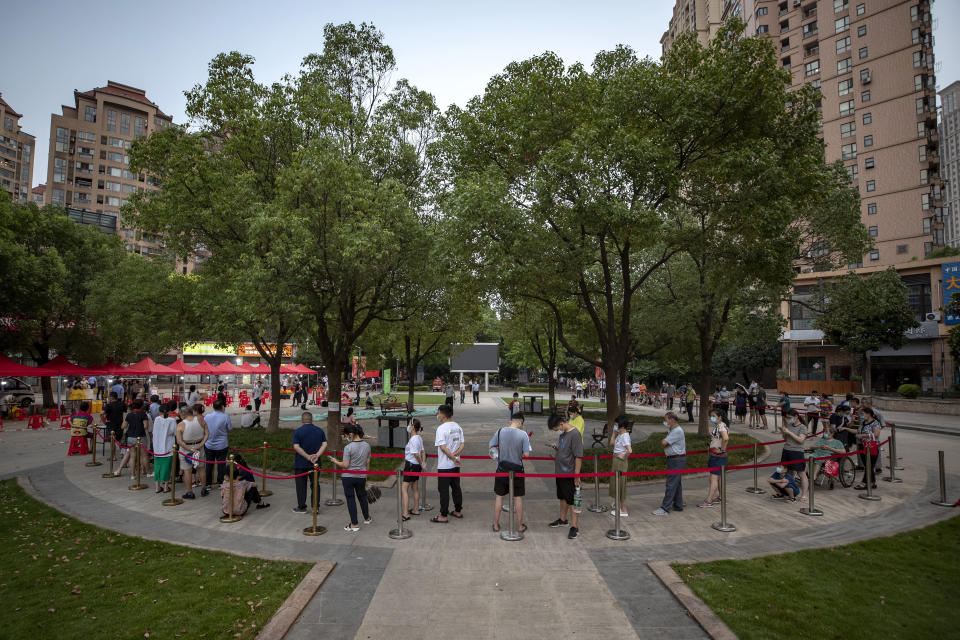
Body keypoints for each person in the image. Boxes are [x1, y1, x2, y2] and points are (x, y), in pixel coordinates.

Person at [490, 412, 531, 532]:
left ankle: (496, 525)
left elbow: (491, 446)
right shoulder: (523, 435)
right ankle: (519, 526)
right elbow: (527, 454)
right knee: (518, 497)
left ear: (511, 421)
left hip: (501, 469)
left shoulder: (500, 431)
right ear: (521, 422)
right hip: (517, 470)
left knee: (499, 497)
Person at [328, 424, 372, 531]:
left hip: (348, 477)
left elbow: (346, 465)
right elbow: (367, 462)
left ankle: (354, 524)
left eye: (346, 435)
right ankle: (367, 518)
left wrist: (335, 461)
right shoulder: (367, 445)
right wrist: (365, 475)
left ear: (351, 434)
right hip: (361, 476)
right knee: (362, 496)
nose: (346, 438)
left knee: (350, 499)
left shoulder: (348, 448)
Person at [547, 413, 584, 538]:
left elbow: (578, 456)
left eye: (556, 429)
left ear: (561, 424)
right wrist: (557, 449)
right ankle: (563, 520)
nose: (557, 431)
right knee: (562, 497)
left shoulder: (575, 434)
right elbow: (565, 451)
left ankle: (575, 526)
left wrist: (576, 475)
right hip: (560, 472)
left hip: (569, 473)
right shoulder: (563, 434)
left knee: (573, 500)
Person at [431, 404, 464, 523]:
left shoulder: (441, 429)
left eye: (438, 413)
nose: (437, 415)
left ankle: (443, 515)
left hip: (445, 466)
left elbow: (443, 448)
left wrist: (452, 457)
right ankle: (458, 510)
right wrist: (455, 455)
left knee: (443, 490)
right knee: (456, 488)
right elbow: (462, 444)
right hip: (455, 465)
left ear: (443, 415)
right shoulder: (457, 426)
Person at [291, 412, 328, 513]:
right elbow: (324, 444)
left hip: (300, 463)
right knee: (315, 485)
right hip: (315, 463)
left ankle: (302, 506)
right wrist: (317, 455)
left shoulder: (297, 432)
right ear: (312, 419)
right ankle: (315, 507)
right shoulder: (319, 431)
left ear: (302, 420)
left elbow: (296, 446)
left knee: (301, 486)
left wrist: (307, 456)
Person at [652, 412, 686, 516]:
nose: (664, 421)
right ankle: (678, 505)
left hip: (676, 460)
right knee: (676, 483)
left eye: (666, 419)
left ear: (672, 420)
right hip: (675, 459)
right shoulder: (672, 430)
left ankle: (665, 508)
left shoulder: (677, 431)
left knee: (671, 484)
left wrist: (665, 442)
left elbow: (664, 443)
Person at [201, 400, 232, 496]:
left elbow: (204, 429)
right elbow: (229, 428)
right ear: (222, 407)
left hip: (209, 443)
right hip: (222, 444)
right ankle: (220, 482)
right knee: (221, 464)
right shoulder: (225, 416)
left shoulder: (207, 416)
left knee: (209, 464)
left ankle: (208, 483)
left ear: (213, 407)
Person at [114, 398, 151, 479]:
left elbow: (123, 426)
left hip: (130, 437)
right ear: (141, 406)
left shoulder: (129, 414)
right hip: (140, 436)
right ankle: (148, 472)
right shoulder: (143, 414)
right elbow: (146, 426)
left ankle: (132, 475)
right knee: (144, 455)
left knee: (132, 456)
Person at [175, 406, 207, 499]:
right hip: (199, 447)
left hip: (186, 447)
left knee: (187, 471)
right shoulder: (200, 420)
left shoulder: (181, 424)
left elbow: (179, 441)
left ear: (183, 414)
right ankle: (204, 489)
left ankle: (189, 492)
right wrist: (201, 444)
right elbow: (207, 433)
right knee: (201, 468)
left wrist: (190, 449)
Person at [699, 409, 729, 508]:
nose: (711, 417)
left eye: (713, 416)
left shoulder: (721, 425)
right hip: (718, 457)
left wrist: (722, 449)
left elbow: (725, 438)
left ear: (719, 417)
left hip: (717, 457)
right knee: (718, 478)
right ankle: (721, 497)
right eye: (710, 416)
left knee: (714, 479)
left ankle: (709, 500)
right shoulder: (721, 425)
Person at [781, 408, 809, 500]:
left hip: (797, 452)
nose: (789, 419)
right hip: (786, 450)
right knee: (788, 472)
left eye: (790, 417)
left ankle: (804, 494)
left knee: (801, 473)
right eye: (787, 418)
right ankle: (790, 492)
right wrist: (784, 432)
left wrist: (789, 432)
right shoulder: (789, 425)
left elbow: (800, 440)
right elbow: (786, 439)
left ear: (796, 416)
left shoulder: (803, 427)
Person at [152, 401, 178, 493]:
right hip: (168, 446)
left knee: (157, 467)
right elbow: (175, 432)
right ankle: (166, 487)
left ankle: (157, 487)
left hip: (157, 446)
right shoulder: (172, 420)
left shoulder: (156, 419)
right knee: (167, 467)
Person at [609, 415, 632, 517]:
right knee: (615, 482)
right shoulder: (620, 434)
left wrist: (623, 456)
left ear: (621, 426)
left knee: (621, 484)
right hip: (616, 460)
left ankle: (623, 509)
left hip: (620, 462)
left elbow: (629, 450)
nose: (614, 425)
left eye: (616, 424)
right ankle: (617, 503)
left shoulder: (625, 436)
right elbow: (611, 443)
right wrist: (614, 433)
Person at [402, 419, 425, 519]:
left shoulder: (414, 439)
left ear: (412, 427)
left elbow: (416, 454)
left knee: (404, 488)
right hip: (416, 466)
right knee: (415, 487)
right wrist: (422, 464)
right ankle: (415, 509)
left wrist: (421, 463)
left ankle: (405, 513)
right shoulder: (419, 438)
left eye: (408, 425)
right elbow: (423, 451)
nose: (407, 427)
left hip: (411, 465)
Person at [855, 407, 882, 490]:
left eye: (863, 414)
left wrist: (863, 436)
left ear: (868, 414)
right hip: (862, 445)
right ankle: (872, 482)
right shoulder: (863, 422)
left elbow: (876, 434)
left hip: (871, 446)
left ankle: (865, 483)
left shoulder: (875, 423)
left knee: (869, 465)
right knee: (868, 465)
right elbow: (858, 431)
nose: (861, 416)